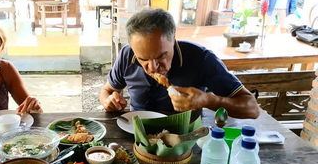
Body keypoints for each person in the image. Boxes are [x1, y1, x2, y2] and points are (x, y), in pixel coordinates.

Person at [99, 8, 260, 119]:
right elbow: (106, 90)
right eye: (143, 59)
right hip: (135, 133)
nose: (153, 67)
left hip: (186, 141)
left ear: (173, 38)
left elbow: (252, 108)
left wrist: (207, 100)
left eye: (161, 56)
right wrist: (108, 101)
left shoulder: (201, 59)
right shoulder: (127, 55)